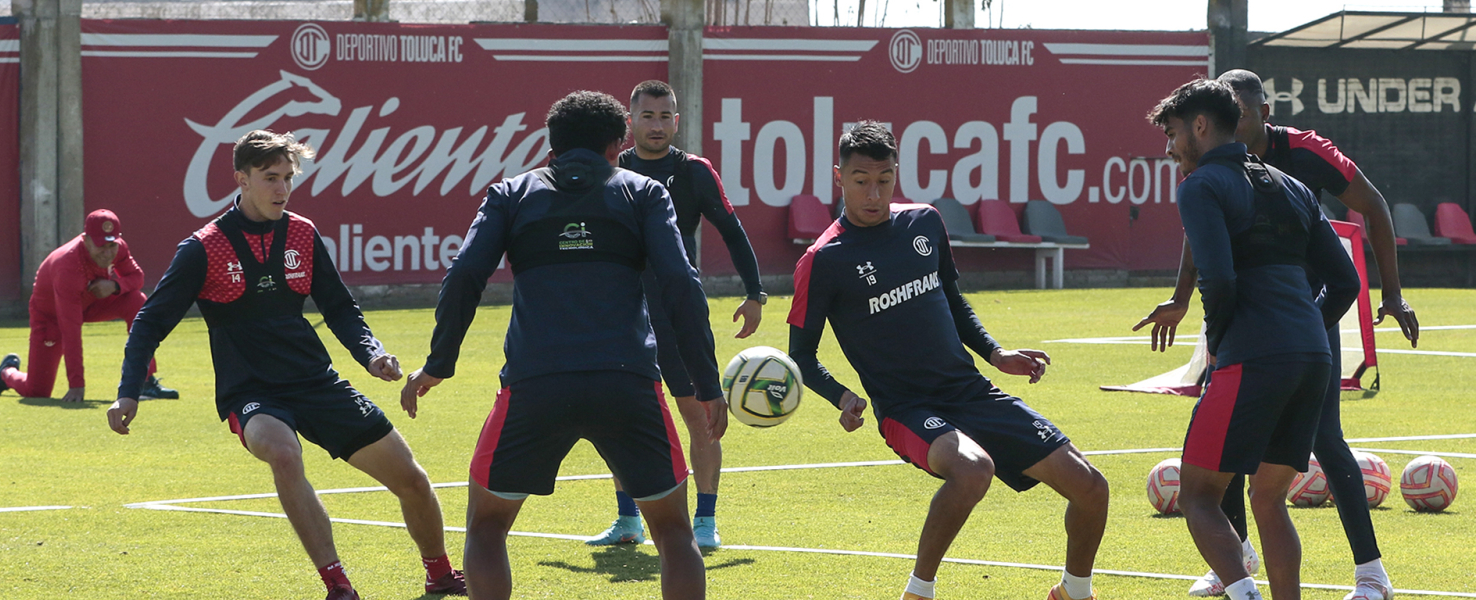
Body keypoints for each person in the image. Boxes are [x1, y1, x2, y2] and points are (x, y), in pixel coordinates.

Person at [105, 130, 465, 600]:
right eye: (270, 178)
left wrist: (371, 353)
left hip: (317, 382)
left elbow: (339, 307)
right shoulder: (203, 247)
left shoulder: (302, 232)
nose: (282, 188)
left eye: (288, 177)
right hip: (252, 393)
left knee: (412, 480)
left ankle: (440, 574)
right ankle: (338, 584)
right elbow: (149, 323)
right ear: (242, 179)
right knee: (283, 452)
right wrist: (128, 391)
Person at [400, 91, 727, 600]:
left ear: (550, 147)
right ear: (617, 146)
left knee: (486, 528)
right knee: (673, 532)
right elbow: (681, 286)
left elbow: (464, 274)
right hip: (628, 384)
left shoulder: (510, 194)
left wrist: (439, 363)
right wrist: (707, 384)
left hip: (534, 385)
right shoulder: (643, 192)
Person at [787, 121, 1110, 600]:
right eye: (861, 181)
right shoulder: (823, 259)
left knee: (1091, 488)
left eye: (884, 179)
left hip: (970, 391)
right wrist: (842, 397)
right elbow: (801, 355)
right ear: (839, 178)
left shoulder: (924, 222)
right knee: (973, 469)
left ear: (896, 174)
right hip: (906, 409)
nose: (873, 193)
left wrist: (996, 354)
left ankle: (1074, 593)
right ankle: (919, 591)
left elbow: (954, 303)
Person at [1135, 69, 1411, 600]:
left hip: (1251, 356)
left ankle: (1246, 590)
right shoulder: (1292, 185)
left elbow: (1219, 278)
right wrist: (1304, 331)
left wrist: (1223, 343)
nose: (1168, 149)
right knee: (1268, 499)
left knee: (1197, 496)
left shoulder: (1200, 185)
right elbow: (1347, 281)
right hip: (1313, 356)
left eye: (1171, 134)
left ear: (1199, 126)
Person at [586, 79, 765, 550]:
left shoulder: (694, 172)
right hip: (623, 314)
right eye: (648, 116)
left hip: (677, 311)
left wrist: (755, 293)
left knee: (700, 413)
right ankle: (627, 520)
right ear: (630, 122)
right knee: (619, 415)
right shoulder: (613, 169)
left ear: (677, 121)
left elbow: (732, 230)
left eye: (665, 116)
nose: (657, 125)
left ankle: (705, 522)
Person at [0, 209, 177, 402]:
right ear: (85, 240)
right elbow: (70, 330)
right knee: (37, 391)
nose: (108, 253)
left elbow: (137, 277)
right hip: (51, 317)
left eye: (112, 245)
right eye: (101, 246)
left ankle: (145, 382)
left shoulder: (118, 248)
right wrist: (77, 385)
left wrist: (115, 285)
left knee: (137, 300)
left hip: (91, 304)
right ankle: (6, 372)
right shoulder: (68, 266)